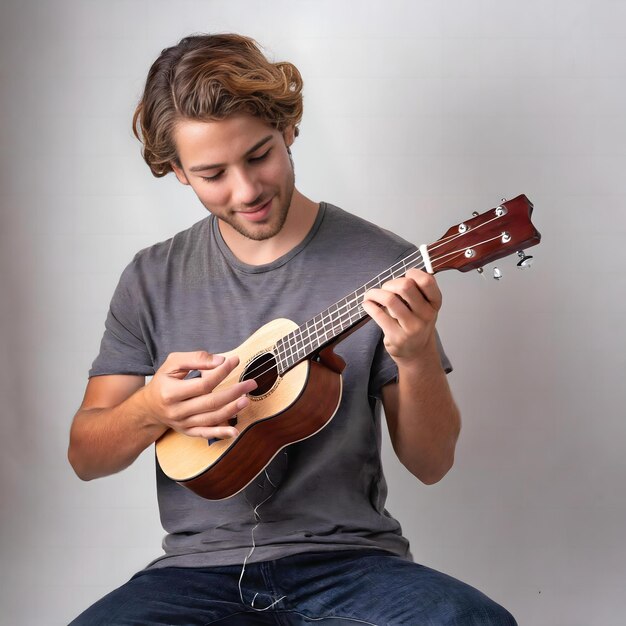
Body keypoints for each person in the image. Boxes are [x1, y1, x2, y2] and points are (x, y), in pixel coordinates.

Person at [68, 33, 517, 625]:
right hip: (193, 575)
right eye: (212, 174)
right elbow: (85, 455)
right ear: (177, 172)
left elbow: (432, 463)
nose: (246, 190)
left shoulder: (383, 266)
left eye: (259, 156)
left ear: (289, 128)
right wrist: (152, 409)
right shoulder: (151, 277)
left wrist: (414, 356)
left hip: (353, 565)